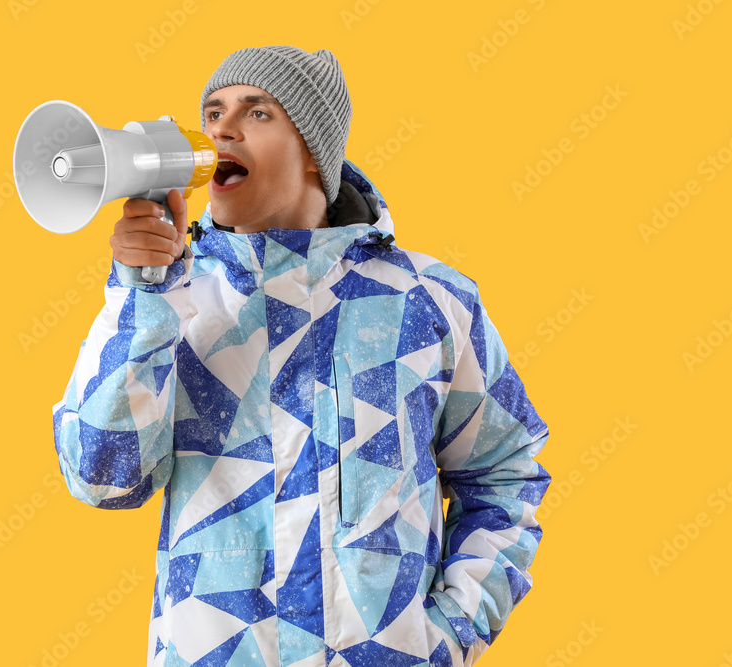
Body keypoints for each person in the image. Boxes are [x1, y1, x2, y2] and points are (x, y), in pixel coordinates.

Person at [52, 45, 551, 667]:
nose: (222, 128)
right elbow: (103, 478)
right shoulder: (173, 300)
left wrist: (449, 634)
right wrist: (142, 294)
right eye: (212, 112)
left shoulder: (429, 300)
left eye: (257, 112)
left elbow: (504, 474)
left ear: (316, 151)